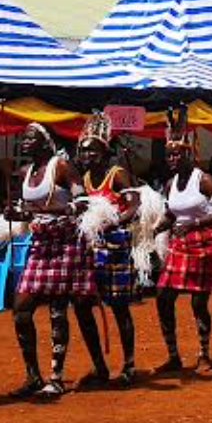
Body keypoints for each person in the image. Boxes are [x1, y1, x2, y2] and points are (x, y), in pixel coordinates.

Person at [7, 124, 105, 398]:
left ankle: (56, 377)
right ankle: (33, 376)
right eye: (23, 138)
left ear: (46, 142)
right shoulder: (25, 173)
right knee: (21, 309)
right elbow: (25, 210)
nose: (25, 142)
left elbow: (83, 202)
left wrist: (50, 210)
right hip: (40, 244)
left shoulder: (61, 166)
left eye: (31, 138)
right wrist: (14, 214)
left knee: (57, 310)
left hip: (66, 243)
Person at [74, 114, 144, 385]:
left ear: (104, 152)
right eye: (83, 150)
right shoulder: (85, 179)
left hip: (116, 247)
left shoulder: (117, 174)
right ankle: (99, 367)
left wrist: (111, 222)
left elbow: (135, 205)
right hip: (92, 249)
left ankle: (129, 366)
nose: (87, 155)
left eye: (92, 150)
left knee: (119, 308)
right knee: (82, 304)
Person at [153, 129, 212, 373]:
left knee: (198, 303)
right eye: (169, 155)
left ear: (189, 155)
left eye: (177, 154)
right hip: (180, 243)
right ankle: (173, 356)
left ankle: (204, 355)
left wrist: (194, 223)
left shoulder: (204, 180)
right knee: (163, 296)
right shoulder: (170, 184)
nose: (172, 159)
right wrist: (155, 227)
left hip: (205, 243)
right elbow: (171, 214)